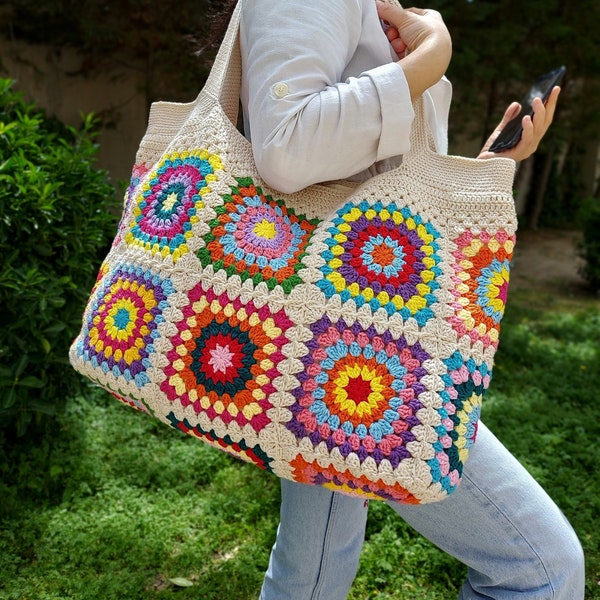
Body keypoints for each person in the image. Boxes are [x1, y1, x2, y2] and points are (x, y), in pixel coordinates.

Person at [217, 0, 585, 597]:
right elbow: (286, 148)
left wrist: (486, 165)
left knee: (311, 572)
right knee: (539, 567)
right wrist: (429, 61)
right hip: (342, 330)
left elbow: (378, 178)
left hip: (348, 326)